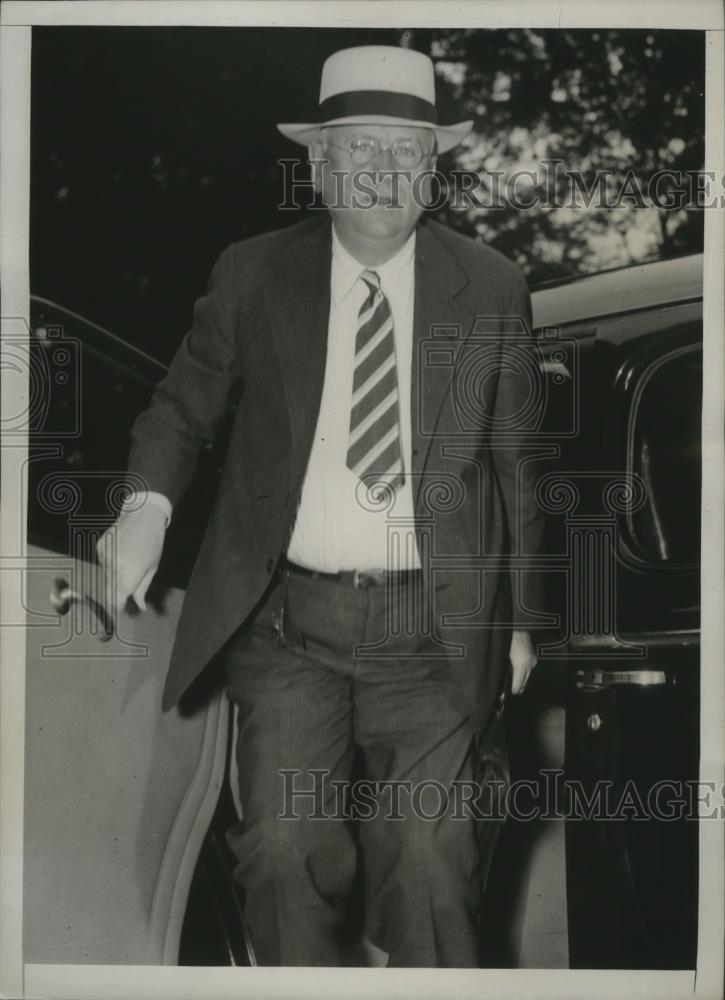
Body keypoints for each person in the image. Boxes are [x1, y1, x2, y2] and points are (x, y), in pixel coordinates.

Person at [98, 44, 545, 968]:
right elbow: (182, 408)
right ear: (318, 164)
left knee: (429, 862)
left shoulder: (491, 286)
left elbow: (516, 469)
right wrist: (145, 505)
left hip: (432, 634)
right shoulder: (255, 276)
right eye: (359, 150)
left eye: (407, 152)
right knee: (280, 854)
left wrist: (520, 623)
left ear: (434, 168)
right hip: (287, 631)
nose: (384, 173)